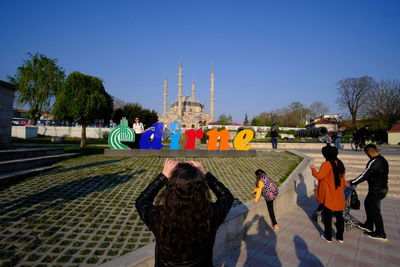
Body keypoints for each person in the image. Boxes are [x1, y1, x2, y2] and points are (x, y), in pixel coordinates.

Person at [135, 159, 234, 266]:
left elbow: (142, 201)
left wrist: (162, 176)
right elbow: (227, 197)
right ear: (201, 189)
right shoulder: (210, 215)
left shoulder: (159, 216)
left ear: (170, 189)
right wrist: (206, 174)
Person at [346, 144, 389, 241]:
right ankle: (368, 225)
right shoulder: (382, 159)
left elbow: (365, 174)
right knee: (368, 204)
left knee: (375, 211)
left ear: (369, 152)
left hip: (377, 189)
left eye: (366, 153)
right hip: (379, 188)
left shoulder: (375, 162)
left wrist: (352, 182)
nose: (367, 155)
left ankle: (380, 233)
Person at [310, 145, 346, 243]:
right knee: (339, 216)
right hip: (338, 194)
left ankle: (328, 236)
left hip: (328, 195)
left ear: (325, 154)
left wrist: (313, 169)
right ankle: (340, 237)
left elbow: (319, 176)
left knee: (327, 217)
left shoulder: (326, 164)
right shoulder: (340, 163)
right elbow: (343, 180)